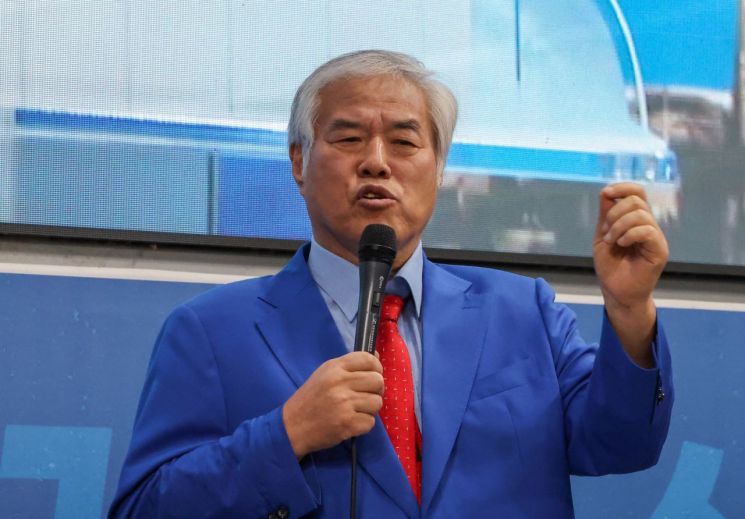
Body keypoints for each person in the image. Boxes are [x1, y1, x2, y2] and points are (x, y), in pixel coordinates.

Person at [110, 50, 673, 518]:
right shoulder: (210, 331)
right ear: (299, 163)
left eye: (404, 142)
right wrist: (286, 434)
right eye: (349, 138)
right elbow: (144, 510)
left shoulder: (523, 312)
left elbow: (623, 444)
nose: (377, 162)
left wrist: (629, 310)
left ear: (439, 166)